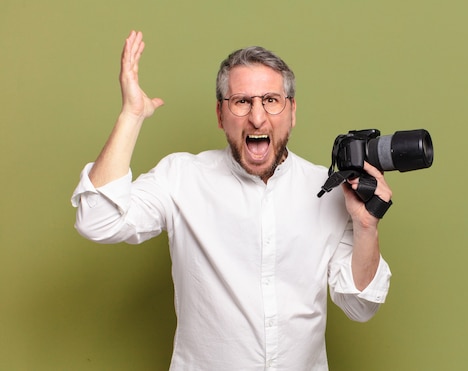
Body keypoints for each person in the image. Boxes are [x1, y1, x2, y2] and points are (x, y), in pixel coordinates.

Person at [71, 30, 392, 370]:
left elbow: (360, 307)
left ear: (292, 112)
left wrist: (366, 226)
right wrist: (131, 116)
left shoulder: (326, 188)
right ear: (221, 114)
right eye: (242, 101)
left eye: (271, 100)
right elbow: (96, 221)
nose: (257, 117)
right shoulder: (181, 177)